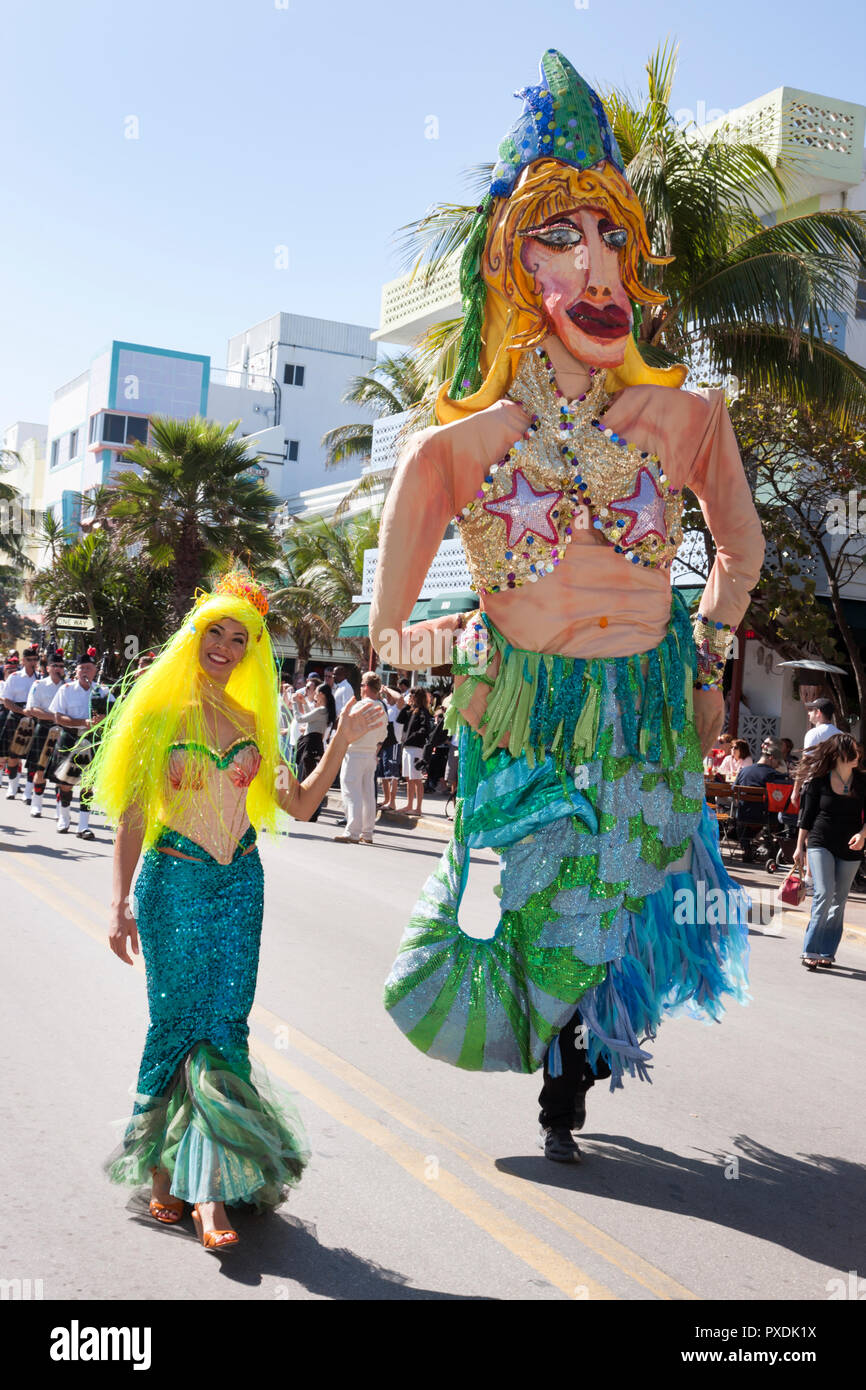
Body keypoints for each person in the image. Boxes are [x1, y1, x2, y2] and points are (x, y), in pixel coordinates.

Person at [369, 50, 763, 1162]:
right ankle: (554, 1073)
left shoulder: (683, 420)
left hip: (642, 706)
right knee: (548, 923)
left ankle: (570, 1078)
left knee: (619, 921)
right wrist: (446, 649)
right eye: (557, 238)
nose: (593, 270)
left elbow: (741, 542)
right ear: (510, 267)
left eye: (609, 240)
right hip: (528, 717)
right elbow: (389, 622)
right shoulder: (454, 448)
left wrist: (707, 649)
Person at [81, 571, 384, 1249]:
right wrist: (117, 902)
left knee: (226, 1026)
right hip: (173, 885)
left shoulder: (252, 721)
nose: (224, 645)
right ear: (194, 638)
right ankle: (165, 1171)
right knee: (175, 1024)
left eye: (239, 638)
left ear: (251, 650)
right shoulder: (158, 715)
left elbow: (300, 805)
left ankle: (209, 1191)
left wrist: (340, 740)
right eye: (214, 632)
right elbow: (131, 815)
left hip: (239, 887)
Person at [793, 733, 866, 970]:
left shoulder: (862, 782)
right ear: (839, 755)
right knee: (825, 893)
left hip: (851, 845)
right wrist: (798, 847)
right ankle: (810, 949)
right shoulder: (819, 781)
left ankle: (826, 952)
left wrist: (863, 835)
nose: (858, 754)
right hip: (820, 841)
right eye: (853, 750)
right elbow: (806, 817)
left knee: (839, 900)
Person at [48, 650, 112, 838]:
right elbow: (58, 717)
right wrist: (82, 722)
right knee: (66, 783)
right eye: (82, 668)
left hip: (93, 740)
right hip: (71, 737)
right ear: (75, 671)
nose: (85, 671)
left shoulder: (103, 690)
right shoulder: (66, 690)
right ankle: (64, 817)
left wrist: (104, 717)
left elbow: (115, 713)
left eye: (89, 668)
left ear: (94, 671)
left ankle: (83, 826)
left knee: (88, 783)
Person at [335, 671, 386, 844]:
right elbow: (383, 735)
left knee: (351, 792)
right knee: (367, 794)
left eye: (362, 684)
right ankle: (367, 832)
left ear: (365, 687)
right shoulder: (381, 708)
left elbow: (345, 729)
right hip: (371, 753)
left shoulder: (360, 706)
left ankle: (352, 831)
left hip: (355, 752)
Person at [23, 649, 67, 817]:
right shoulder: (38, 685)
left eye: (61, 666)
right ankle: (37, 803)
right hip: (44, 728)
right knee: (40, 768)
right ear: (48, 668)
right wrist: (55, 717)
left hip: (63, 731)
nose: (59, 668)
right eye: (55, 665)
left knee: (60, 772)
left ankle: (59, 809)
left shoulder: (68, 685)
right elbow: (33, 709)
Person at [731, 738, 792, 850]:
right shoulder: (774, 774)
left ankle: (746, 846)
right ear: (771, 758)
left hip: (743, 814)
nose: (777, 765)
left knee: (752, 811)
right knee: (780, 813)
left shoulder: (744, 771)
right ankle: (773, 847)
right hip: (766, 817)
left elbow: (734, 790)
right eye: (777, 762)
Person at [292, 680, 337, 822]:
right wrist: (303, 703)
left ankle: (307, 812)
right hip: (315, 744)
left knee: (307, 780)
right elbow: (311, 716)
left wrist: (294, 703)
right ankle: (311, 812)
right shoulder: (324, 710)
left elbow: (300, 719)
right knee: (311, 779)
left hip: (310, 744)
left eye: (317, 692)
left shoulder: (321, 710)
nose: (315, 695)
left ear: (322, 694)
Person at [1, 644, 39, 799]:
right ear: (23, 661)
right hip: (16, 716)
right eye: (29, 659)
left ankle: (28, 792)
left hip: (35, 717)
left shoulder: (40, 679)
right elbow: (7, 702)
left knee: (33, 758)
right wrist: (21, 711)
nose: (32, 662)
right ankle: (12, 787)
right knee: (13, 755)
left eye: (35, 659)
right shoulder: (15, 677)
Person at [397, 687, 433, 816]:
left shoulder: (423, 711)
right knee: (408, 778)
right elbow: (399, 719)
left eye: (413, 695)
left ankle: (418, 808)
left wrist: (412, 738)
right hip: (407, 747)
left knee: (416, 778)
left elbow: (425, 729)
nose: (410, 697)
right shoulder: (411, 710)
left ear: (418, 697)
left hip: (416, 748)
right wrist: (407, 706)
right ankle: (409, 805)